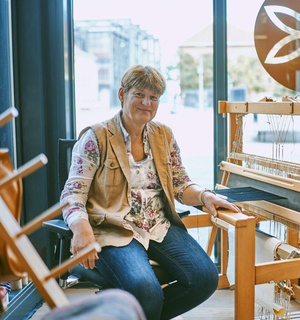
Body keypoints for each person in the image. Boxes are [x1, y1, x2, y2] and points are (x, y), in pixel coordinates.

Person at [60, 65, 240, 320]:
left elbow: (180, 182)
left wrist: (203, 196)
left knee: (205, 278)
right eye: (139, 95)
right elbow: (73, 193)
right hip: (114, 229)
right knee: (147, 292)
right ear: (122, 94)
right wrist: (81, 227)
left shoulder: (163, 135)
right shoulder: (95, 137)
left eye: (153, 97)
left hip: (158, 226)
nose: (147, 103)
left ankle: (130, 315)